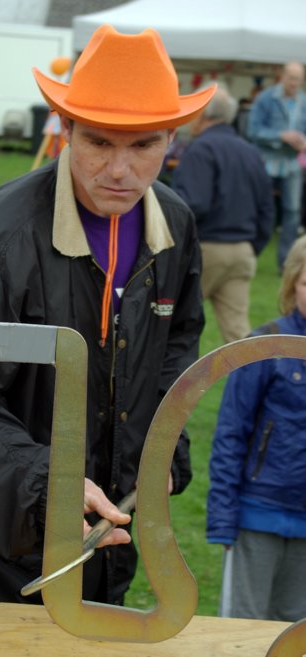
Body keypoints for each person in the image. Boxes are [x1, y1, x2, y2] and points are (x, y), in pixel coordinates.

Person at [0, 25, 216, 605]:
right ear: (65, 130)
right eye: (99, 142)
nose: (120, 171)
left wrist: (161, 445)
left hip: (103, 542)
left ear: (172, 138)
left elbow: (176, 345)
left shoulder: (174, 225)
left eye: (144, 145)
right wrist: (43, 488)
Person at [206, 234, 306, 621]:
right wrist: (224, 517)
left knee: (295, 634)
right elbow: (231, 432)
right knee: (243, 631)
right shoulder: (265, 345)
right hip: (258, 514)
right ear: (291, 284)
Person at [171, 86, 274, 343]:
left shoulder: (201, 149)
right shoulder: (250, 151)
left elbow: (194, 203)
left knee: (171, 325)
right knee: (239, 335)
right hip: (242, 251)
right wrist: (252, 246)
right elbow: (267, 208)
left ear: (203, 114)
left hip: (206, 250)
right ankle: (255, 380)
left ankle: (165, 382)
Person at [247, 62, 306, 272]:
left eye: (298, 79)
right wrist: (280, 136)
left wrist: (302, 142)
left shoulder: (303, 101)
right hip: (267, 162)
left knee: (292, 211)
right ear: (282, 76)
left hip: (291, 164)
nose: (294, 83)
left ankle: (287, 264)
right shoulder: (266, 99)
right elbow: (253, 131)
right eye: (291, 78)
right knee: (259, 209)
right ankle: (249, 257)